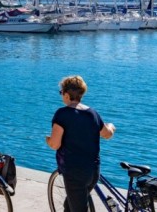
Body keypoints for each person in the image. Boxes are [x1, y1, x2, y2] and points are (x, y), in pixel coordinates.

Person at [46, 75, 116, 212]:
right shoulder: (92, 113)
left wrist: (47, 139)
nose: (61, 96)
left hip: (74, 173)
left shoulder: (62, 114)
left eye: (61, 93)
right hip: (93, 171)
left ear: (66, 94)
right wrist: (111, 126)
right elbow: (107, 134)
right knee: (70, 205)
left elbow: (55, 144)